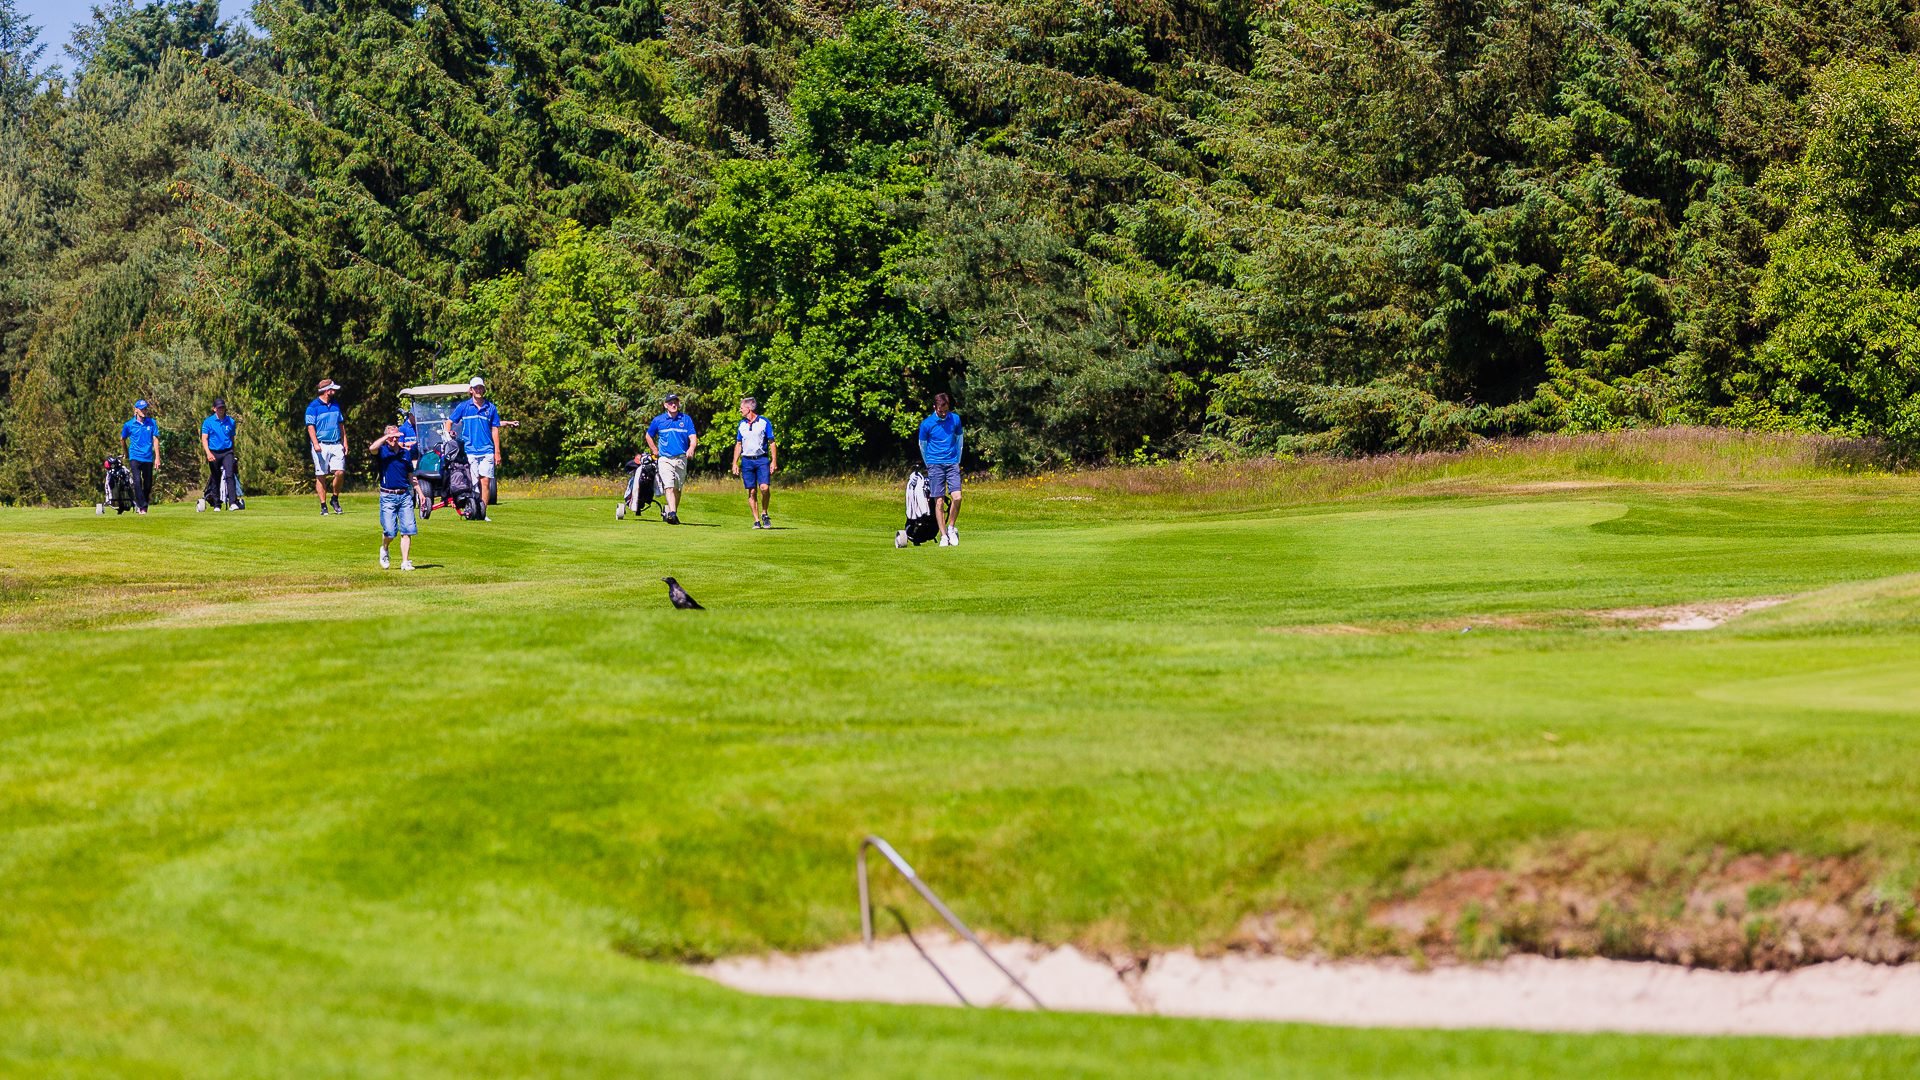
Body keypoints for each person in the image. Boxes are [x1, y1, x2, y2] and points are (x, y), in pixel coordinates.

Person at [447, 376, 501, 511]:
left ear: (483, 389)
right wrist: (449, 438)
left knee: (485, 481)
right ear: (471, 390)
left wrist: (497, 451)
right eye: (475, 388)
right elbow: (449, 422)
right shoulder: (464, 406)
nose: (478, 390)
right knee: (473, 482)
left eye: (480, 387)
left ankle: (482, 511)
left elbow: (495, 429)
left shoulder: (491, 408)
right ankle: (472, 509)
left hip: (487, 449)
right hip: (469, 449)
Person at [917, 392, 964, 546]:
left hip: (952, 463)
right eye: (940, 411)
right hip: (934, 464)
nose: (943, 413)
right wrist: (929, 463)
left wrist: (957, 460)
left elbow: (959, 441)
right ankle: (943, 536)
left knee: (957, 497)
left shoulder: (955, 419)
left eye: (946, 410)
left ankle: (951, 527)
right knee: (939, 501)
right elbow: (922, 446)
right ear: (934, 407)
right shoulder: (927, 424)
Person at [369, 425, 417, 570]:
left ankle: (405, 561)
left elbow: (410, 475)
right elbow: (372, 448)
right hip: (388, 496)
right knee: (390, 531)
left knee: (407, 529)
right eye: (392, 437)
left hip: (404, 496)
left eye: (396, 437)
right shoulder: (382, 451)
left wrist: (419, 492)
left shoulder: (405, 453)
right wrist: (386, 437)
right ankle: (384, 548)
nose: (394, 440)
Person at [645, 391, 698, 524]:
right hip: (665, 458)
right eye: (670, 403)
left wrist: (691, 448)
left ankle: (673, 511)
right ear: (665, 405)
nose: (673, 404)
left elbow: (693, 437)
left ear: (679, 404)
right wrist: (654, 450)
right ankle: (672, 514)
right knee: (668, 486)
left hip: (681, 458)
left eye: (675, 402)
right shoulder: (659, 420)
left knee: (677, 488)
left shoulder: (686, 419)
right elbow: (648, 435)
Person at [731, 395, 777, 529]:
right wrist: (735, 462)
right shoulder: (742, 424)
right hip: (747, 461)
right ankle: (756, 520)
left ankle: (764, 513)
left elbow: (772, 442)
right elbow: (738, 444)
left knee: (764, 488)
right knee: (751, 491)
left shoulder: (764, 422)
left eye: (741, 408)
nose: (740, 410)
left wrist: (774, 461)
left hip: (761, 459)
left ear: (749, 408)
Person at [306, 378, 347, 514]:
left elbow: (341, 425)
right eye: (332, 389)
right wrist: (316, 444)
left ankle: (334, 498)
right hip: (321, 445)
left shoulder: (335, 405)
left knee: (340, 472)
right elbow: (310, 427)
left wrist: (344, 441)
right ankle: (323, 506)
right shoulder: (313, 407)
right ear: (327, 390)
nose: (334, 391)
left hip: (336, 443)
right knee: (321, 475)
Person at [197, 398, 239, 512]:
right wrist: (208, 453)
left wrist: (232, 452)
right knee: (215, 477)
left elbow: (231, 438)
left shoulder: (231, 421)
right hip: (214, 452)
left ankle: (233, 502)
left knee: (230, 475)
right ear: (214, 409)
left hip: (227, 452)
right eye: (219, 408)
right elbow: (204, 439)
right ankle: (216, 504)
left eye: (223, 408)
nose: (221, 410)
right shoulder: (208, 422)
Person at [119, 399, 160, 515]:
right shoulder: (129, 425)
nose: (144, 411)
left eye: (145, 408)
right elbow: (122, 439)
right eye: (141, 409)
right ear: (136, 410)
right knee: (137, 481)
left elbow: (156, 439)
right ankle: (142, 506)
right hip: (135, 456)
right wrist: (126, 452)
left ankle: (143, 503)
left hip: (147, 457)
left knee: (148, 483)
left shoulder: (152, 423)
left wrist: (157, 457)